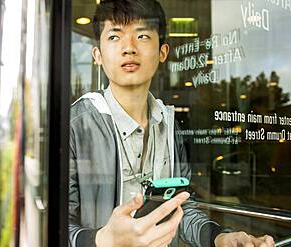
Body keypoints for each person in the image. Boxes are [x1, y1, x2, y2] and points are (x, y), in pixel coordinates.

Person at [69, 0, 275, 246]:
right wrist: (102, 240)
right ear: (97, 56)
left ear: (163, 52)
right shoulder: (76, 125)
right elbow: (55, 222)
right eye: (114, 37)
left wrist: (219, 238)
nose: (128, 48)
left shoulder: (168, 125)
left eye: (142, 35)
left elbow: (182, 208)